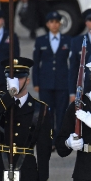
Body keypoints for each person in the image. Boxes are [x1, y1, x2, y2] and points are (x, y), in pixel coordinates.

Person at [32, 11, 72, 143]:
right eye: (51, 22)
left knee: (61, 112)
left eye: (56, 22)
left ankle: (59, 138)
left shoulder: (67, 40)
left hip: (62, 82)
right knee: (47, 112)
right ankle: (48, 137)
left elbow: (72, 63)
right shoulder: (40, 40)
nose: (54, 25)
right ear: (47, 24)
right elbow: (36, 63)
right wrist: (36, 82)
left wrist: (70, 83)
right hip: (45, 82)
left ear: (60, 24)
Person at [69, 8, 91, 102]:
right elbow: (73, 68)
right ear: (86, 22)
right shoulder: (77, 41)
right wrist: (72, 92)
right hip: (84, 88)